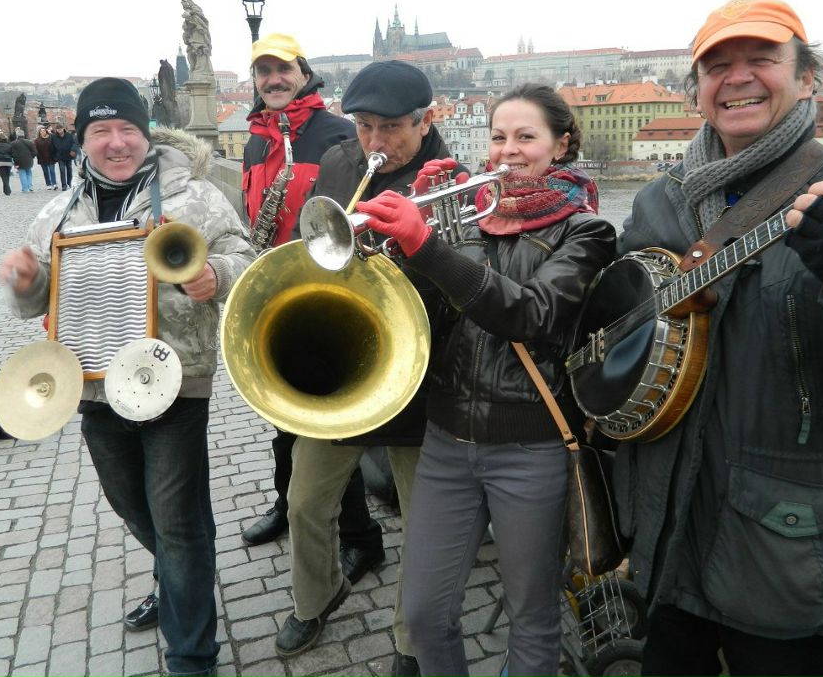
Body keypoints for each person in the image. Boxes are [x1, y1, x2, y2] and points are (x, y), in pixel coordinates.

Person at [612, 0, 823, 677]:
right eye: (716, 66)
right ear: (698, 92)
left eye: (761, 59)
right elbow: (624, 320)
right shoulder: (662, 201)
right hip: (668, 547)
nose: (736, 76)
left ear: (807, 79)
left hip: (789, 561)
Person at [0, 77, 255, 677]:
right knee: (131, 506)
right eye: (101, 131)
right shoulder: (58, 210)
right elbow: (40, 300)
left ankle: (191, 654)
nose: (117, 143)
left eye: (128, 130)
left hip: (175, 381)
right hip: (89, 383)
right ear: (83, 138)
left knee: (177, 519)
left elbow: (247, 262)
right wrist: (24, 280)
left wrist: (216, 273)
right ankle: (175, 578)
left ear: (146, 133)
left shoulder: (195, 195)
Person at [358, 83, 616, 677]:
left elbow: (533, 314)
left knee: (532, 617)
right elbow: (420, 317)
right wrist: (408, 243)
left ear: (561, 144)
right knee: (423, 614)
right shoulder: (469, 214)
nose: (507, 150)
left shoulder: (587, 232)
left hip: (532, 447)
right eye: (499, 136)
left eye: (527, 137)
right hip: (446, 442)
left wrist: (429, 244)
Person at [272, 61, 471, 676]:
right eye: (364, 127)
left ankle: (411, 640)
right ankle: (318, 594)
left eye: (391, 128)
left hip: (421, 375)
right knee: (305, 500)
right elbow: (311, 250)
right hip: (343, 366)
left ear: (426, 120)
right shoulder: (339, 163)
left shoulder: (453, 182)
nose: (376, 142)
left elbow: (466, 288)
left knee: (423, 523)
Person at [239, 34, 383, 585]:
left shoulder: (336, 134)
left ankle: (360, 538)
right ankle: (286, 503)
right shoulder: (255, 139)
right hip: (274, 293)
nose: (273, 80)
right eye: (263, 72)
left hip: (323, 296)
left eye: (283, 70)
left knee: (327, 424)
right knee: (280, 416)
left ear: (304, 73)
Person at [53, 123, 77, 189]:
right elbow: (52, 147)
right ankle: (64, 185)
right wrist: (54, 156)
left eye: (60, 129)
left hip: (68, 155)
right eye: (58, 129)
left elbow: (74, 143)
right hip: (60, 157)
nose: (59, 130)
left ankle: (69, 183)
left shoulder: (69, 135)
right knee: (62, 170)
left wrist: (73, 150)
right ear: (56, 130)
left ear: (63, 129)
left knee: (69, 170)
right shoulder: (54, 137)